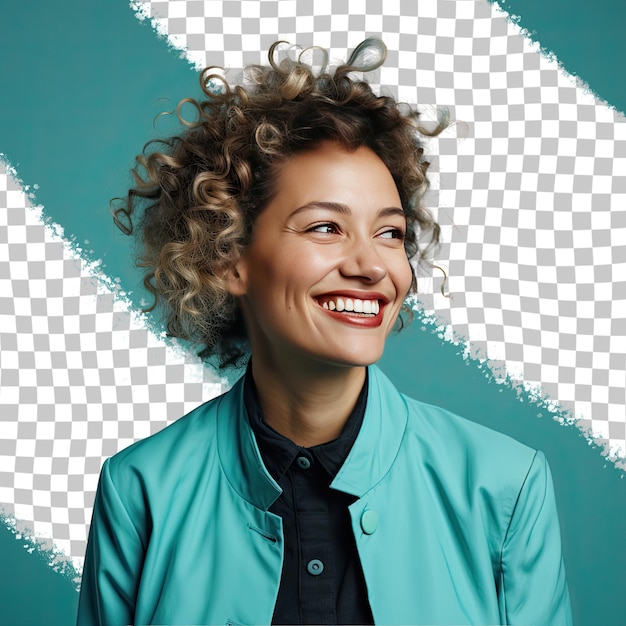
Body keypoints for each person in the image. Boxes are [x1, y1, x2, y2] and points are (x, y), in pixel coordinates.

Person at [76, 40, 572, 625]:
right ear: (227, 257)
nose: (371, 265)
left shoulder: (504, 487)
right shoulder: (140, 492)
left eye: (389, 233)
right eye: (326, 227)